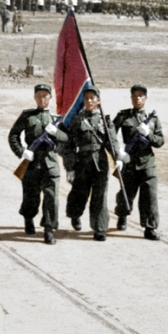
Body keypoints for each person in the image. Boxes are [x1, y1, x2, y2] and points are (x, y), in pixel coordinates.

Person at [8, 84, 69, 244]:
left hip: (50, 163)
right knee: (31, 196)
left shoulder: (57, 119)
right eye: (39, 95)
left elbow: (67, 139)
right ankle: (28, 219)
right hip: (32, 163)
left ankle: (49, 230)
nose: (42, 98)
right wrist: (22, 152)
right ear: (35, 97)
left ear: (50, 97)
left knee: (51, 198)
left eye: (46, 95)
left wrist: (57, 133)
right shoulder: (27, 116)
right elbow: (13, 135)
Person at [65, 85, 121, 241]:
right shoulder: (77, 119)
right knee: (80, 192)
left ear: (98, 100)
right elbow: (68, 145)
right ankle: (75, 214)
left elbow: (112, 141)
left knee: (100, 195)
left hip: (100, 162)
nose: (89, 101)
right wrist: (69, 167)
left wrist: (118, 158)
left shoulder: (105, 120)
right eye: (87, 98)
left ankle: (100, 228)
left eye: (92, 98)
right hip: (82, 161)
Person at [112, 84, 164, 240]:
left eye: (141, 95)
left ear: (146, 98)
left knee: (149, 197)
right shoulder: (123, 116)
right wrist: (119, 153)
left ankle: (150, 227)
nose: (138, 98)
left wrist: (148, 134)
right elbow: (110, 135)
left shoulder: (153, 119)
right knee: (126, 194)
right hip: (129, 162)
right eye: (135, 96)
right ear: (131, 98)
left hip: (148, 163)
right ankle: (122, 215)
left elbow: (160, 141)